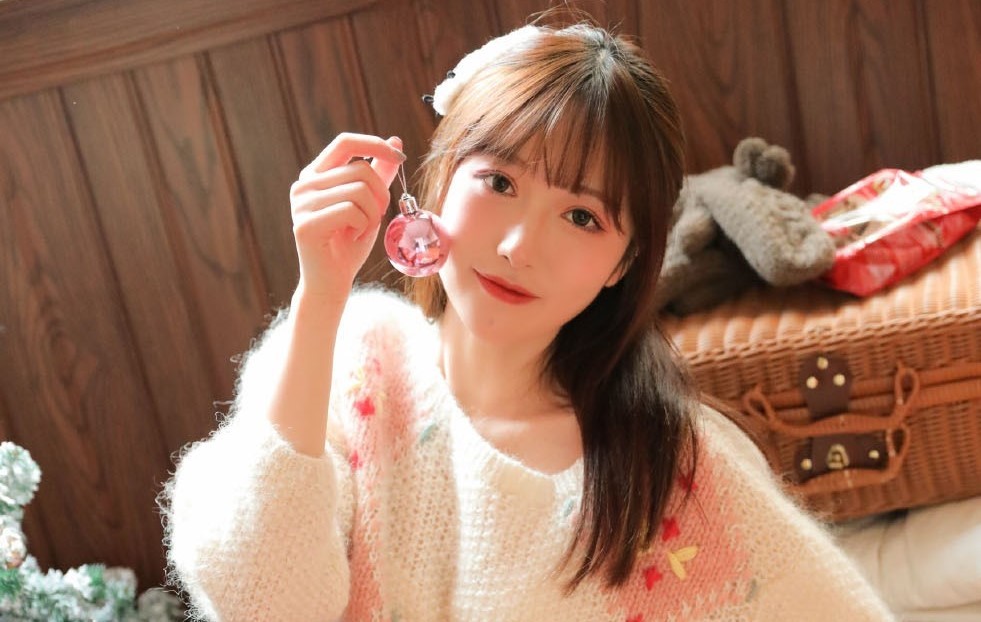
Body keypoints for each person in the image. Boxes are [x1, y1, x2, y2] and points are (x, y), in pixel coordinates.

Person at [162, 19, 895, 621]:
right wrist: (319, 295)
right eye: (499, 181)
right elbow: (263, 603)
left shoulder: (670, 464)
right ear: (439, 182)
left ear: (624, 262)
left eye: (581, 216)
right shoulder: (350, 357)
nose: (518, 246)